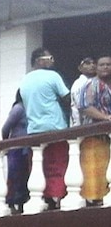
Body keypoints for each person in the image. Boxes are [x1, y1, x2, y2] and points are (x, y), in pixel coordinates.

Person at [19, 47, 70, 210]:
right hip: (54, 127)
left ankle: (45, 196)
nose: (53, 61)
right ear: (39, 60)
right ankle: (57, 196)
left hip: (34, 129)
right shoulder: (52, 76)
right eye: (50, 58)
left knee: (40, 165)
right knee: (58, 163)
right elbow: (67, 98)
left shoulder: (24, 80)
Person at [77, 54, 111, 205]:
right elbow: (85, 107)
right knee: (94, 169)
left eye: (108, 65)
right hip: (94, 134)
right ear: (96, 68)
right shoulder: (91, 84)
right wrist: (106, 118)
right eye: (102, 65)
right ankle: (94, 201)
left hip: (107, 135)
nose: (105, 67)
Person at [1, 92, 30, 213]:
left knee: (25, 176)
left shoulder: (30, 106)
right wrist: (6, 144)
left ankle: (22, 204)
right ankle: (12, 204)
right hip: (16, 148)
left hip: (27, 148)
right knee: (15, 176)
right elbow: (5, 128)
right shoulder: (18, 108)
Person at [70, 57, 97, 127]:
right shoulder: (79, 84)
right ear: (80, 68)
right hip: (83, 126)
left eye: (94, 63)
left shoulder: (98, 82)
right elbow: (83, 108)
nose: (92, 65)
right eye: (87, 63)